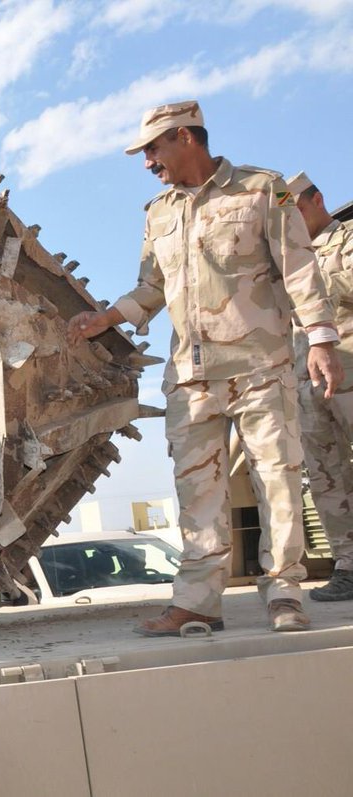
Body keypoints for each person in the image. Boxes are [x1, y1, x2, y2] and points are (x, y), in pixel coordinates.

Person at [68, 100, 343, 636]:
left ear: (186, 137)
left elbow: (299, 266)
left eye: (153, 147)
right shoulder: (158, 212)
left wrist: (321, 339)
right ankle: (198, 602)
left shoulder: (264, 189)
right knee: (197, 491)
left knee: (278, 483)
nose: (148, 161)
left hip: (261, 366)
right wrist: (106, 318)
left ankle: (284, 593)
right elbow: (152, 289)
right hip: (191, 377)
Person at [286, 171, 353, 601]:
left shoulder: (344, 241)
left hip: (348, 370)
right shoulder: (283, 262)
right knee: (327, 477)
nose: (288, 223)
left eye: (294, 211)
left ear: (317, 200)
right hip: (306, 386)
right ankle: (348, 565)